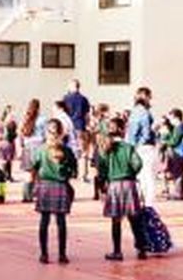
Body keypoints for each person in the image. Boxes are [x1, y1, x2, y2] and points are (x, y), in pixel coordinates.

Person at [98, 114, 148, 261]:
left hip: (114, 185)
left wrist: (103, 184)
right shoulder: (128, 147)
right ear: (122, 130)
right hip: (129, 184)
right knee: (134, 218)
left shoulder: (105, 148)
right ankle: (141, 248)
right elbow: (138, 164)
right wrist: (131, 173)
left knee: (116, 220)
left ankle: (117, 251)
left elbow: (101, 169)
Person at [31, 118, 78, 264]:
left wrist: (34, 184)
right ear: (61, 132)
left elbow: (34, 166)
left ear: (47, 132)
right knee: (61, 221)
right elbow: (74, 171)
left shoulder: (40, 150)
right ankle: (62, 255)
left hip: (45, 185)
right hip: (61, 185)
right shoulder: (67, 151)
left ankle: (44, 254)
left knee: (44, 221)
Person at [128, 87, 158, 206]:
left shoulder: (134, 112)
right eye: (149, 97)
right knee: (149, 176)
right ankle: (149, 204)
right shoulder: (145, 113)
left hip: (135, 146)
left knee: (140, 176)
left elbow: (130, 132)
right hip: (145, 147)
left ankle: (141, 201)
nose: (151, 100)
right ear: (145, 97)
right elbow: (146, 134)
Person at [62, 80, 92, 180]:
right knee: (83, 152)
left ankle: (70, 172)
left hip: (68, 127)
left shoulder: (66, 98)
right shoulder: (84, 99)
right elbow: (87, 115)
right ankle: (83, 174)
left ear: (71, 86)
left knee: (67, 150)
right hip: (80, 126)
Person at [162, 109, 183, 201]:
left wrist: (165, 142)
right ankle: (177, 192)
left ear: (176, 118)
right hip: (177, 153)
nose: (170, 120)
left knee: (178, 173)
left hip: (178, 153)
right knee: (176, 172)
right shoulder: (177, 127)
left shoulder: (180, 128)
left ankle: (178, 193)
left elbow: (174, 141)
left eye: (171, 118)